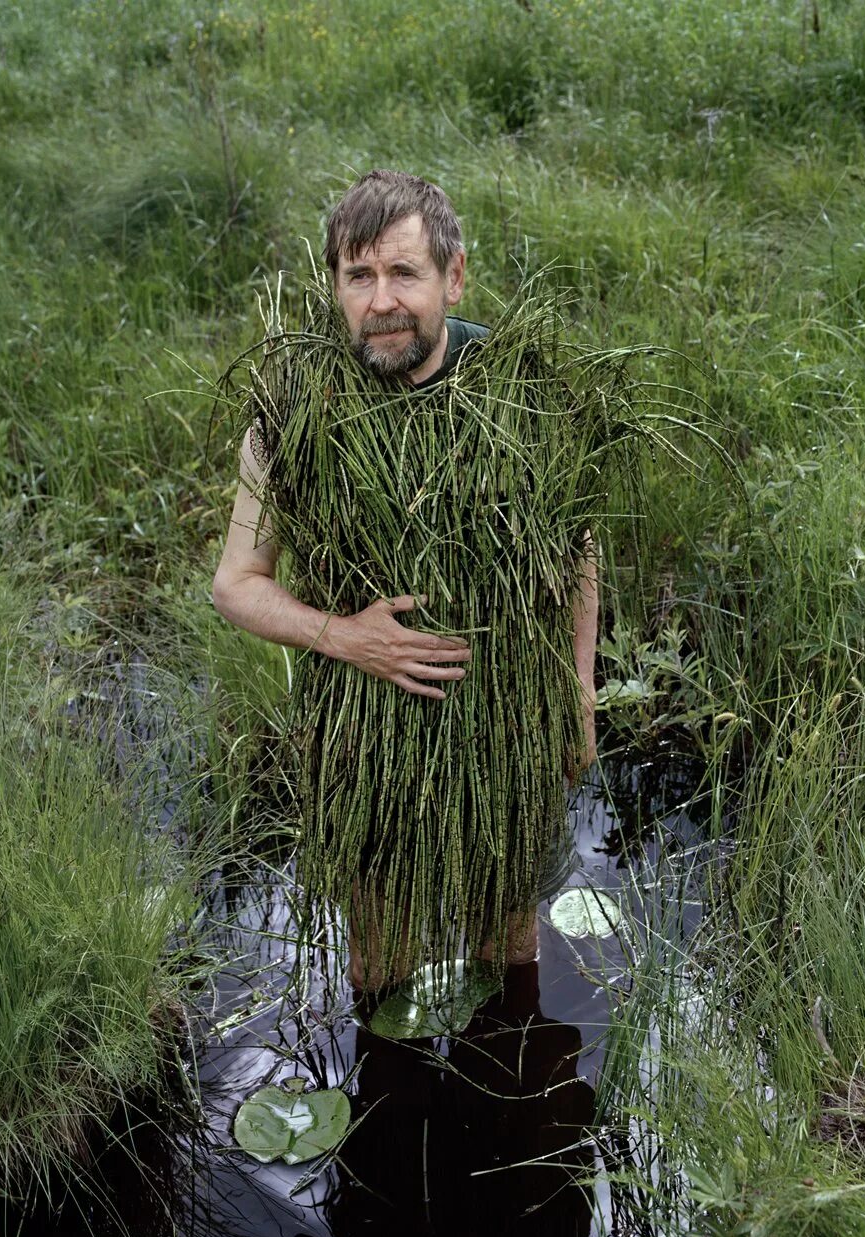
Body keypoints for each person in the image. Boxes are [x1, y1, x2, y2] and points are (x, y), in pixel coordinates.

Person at [212, 170, 598, 988]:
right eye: (360, 277)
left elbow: (577, 550)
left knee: (509, 950)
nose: (381, 301)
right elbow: (237, 582)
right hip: (364, 727)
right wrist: (349, 638)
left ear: (453, 277)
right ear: (335, 287)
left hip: (506, 719)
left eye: (404, 274)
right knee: (377, 962)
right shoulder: (293, 406)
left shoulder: (520, 387)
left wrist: (580, 691)